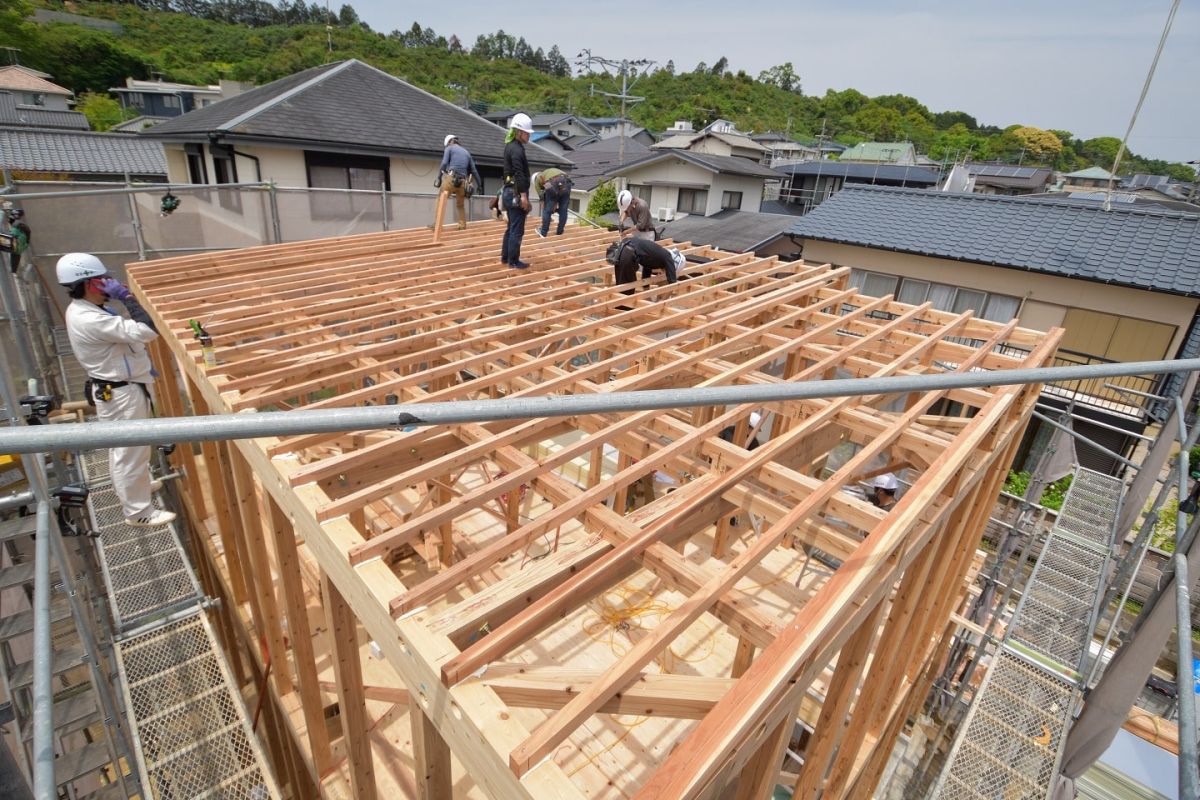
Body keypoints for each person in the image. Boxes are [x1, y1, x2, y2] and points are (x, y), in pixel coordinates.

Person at [58, 253, 175, 529]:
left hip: (123, 387)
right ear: (87, 284)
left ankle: (138, 489)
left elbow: (125, 341)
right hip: (122, 393)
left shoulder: (89, 310)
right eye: (103, 280)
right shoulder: (89, 318)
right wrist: (128, 297)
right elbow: (146, 330)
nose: (109, 283)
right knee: (129, 452)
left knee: (129, 450)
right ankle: (139, 512)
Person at [500, 112, 534, 269]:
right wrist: (524, 197)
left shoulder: (510, 146)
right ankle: (513, 261)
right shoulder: (517, 150)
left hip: (508, 191)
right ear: (519, 132)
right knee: (517, 230)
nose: (529, 136)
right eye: (527, 133)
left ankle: (506, 258)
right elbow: (519, 174)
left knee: (511, 227)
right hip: (515, 193)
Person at [436, 134, 483, 231]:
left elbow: (444, 163)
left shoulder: (449, 148)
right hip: (463, 182)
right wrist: (480, 185)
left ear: (449, 142)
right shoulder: (466, 152)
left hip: (451, 179)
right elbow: (474, 170)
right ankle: (462, 225)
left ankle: (437, 225)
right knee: (460, 205)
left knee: (440, 199)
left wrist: (439, 177)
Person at [605, 238, 685, 293]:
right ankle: (623, 314)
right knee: (628, 288)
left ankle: (620, 309)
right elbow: (672, 284)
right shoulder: (667, 257)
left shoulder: (655, 257)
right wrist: (662, 302)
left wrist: (648, 295)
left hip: (621, 251)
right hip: (627, 253)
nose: (662, 273)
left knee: (622, 284)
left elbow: (645, 276)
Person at [532, 168, 574, 237]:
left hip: (553, 182)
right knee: (563, 209)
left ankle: (543, 232)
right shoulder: (546, 173)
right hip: (567, 181)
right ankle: (560, 232)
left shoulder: (537, 180)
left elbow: (542, 197)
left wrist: (546, 208)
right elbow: (558, 193)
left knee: (546, 211)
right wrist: (554, 204)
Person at [6, 207, 29, 275]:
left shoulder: (17, 226)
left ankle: (13, 270)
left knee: (15, 251)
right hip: (20, 244)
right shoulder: (18, 225)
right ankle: (13, 270)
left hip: (20, 243)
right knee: (16, 252)